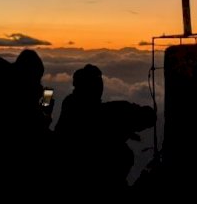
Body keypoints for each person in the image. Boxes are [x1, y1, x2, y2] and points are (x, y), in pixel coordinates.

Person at [55, 64, 156, 203]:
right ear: (98, 88)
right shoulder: (110, 114)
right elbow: (149, 117)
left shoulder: (69, 106)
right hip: (107, 190)